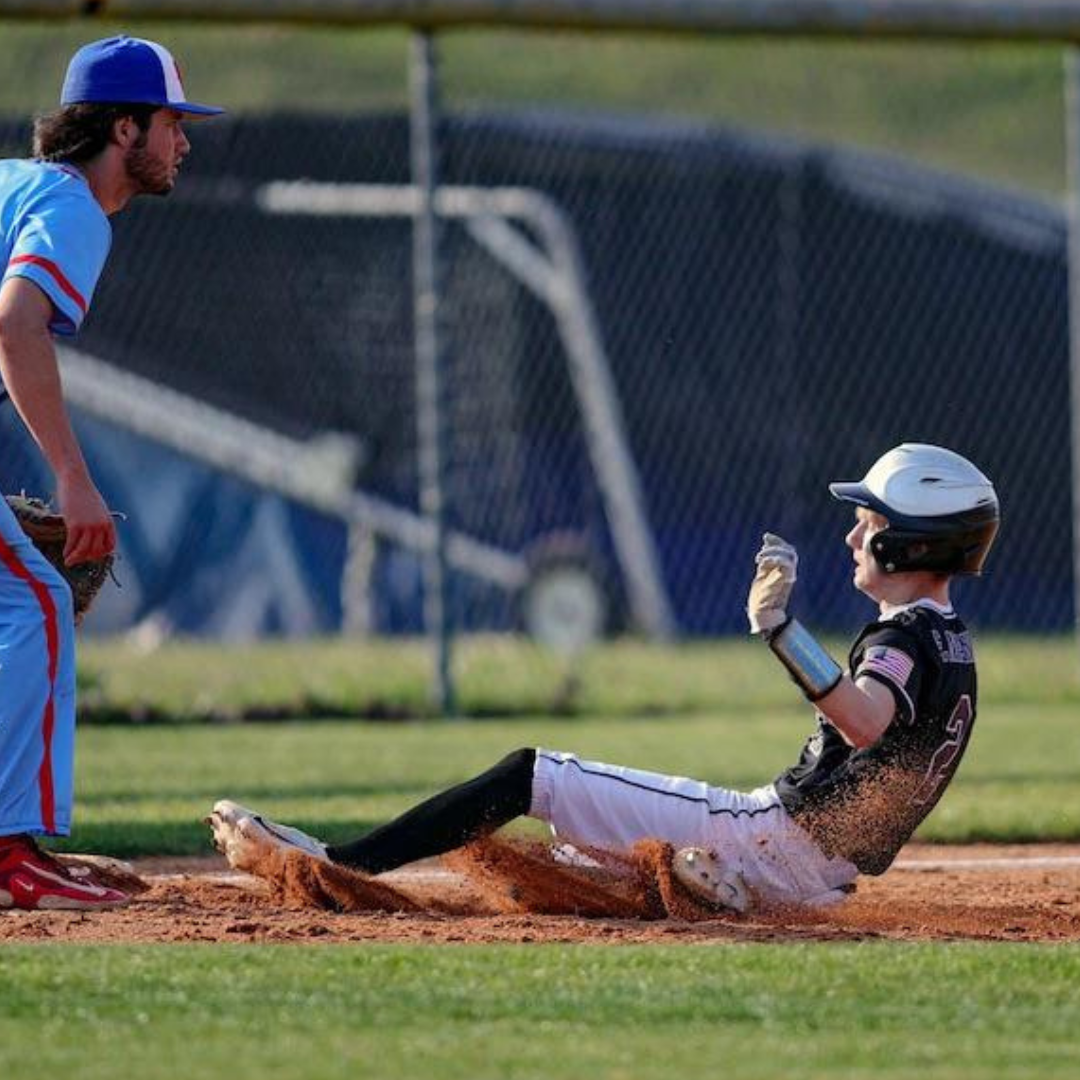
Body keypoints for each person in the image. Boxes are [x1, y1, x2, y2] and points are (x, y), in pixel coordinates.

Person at [208, 443, 1000, 912]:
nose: (856, 535)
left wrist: (781, 631)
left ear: (912, 546)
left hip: (767, 838)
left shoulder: (904, 636)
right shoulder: (952, 643)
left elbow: (868, 721)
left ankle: (341, 862)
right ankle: (698, 887)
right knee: (573, 863)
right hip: (813, 872)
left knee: (532, 776)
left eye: (872, 525)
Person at [0, 36, 222, 911]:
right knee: (35, 602)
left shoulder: (15, 184)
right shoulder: (72, 206)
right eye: (171, 123)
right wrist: (73, 478)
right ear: (123, 128)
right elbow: (15, 327)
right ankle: (12, 856)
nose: (183, 142)